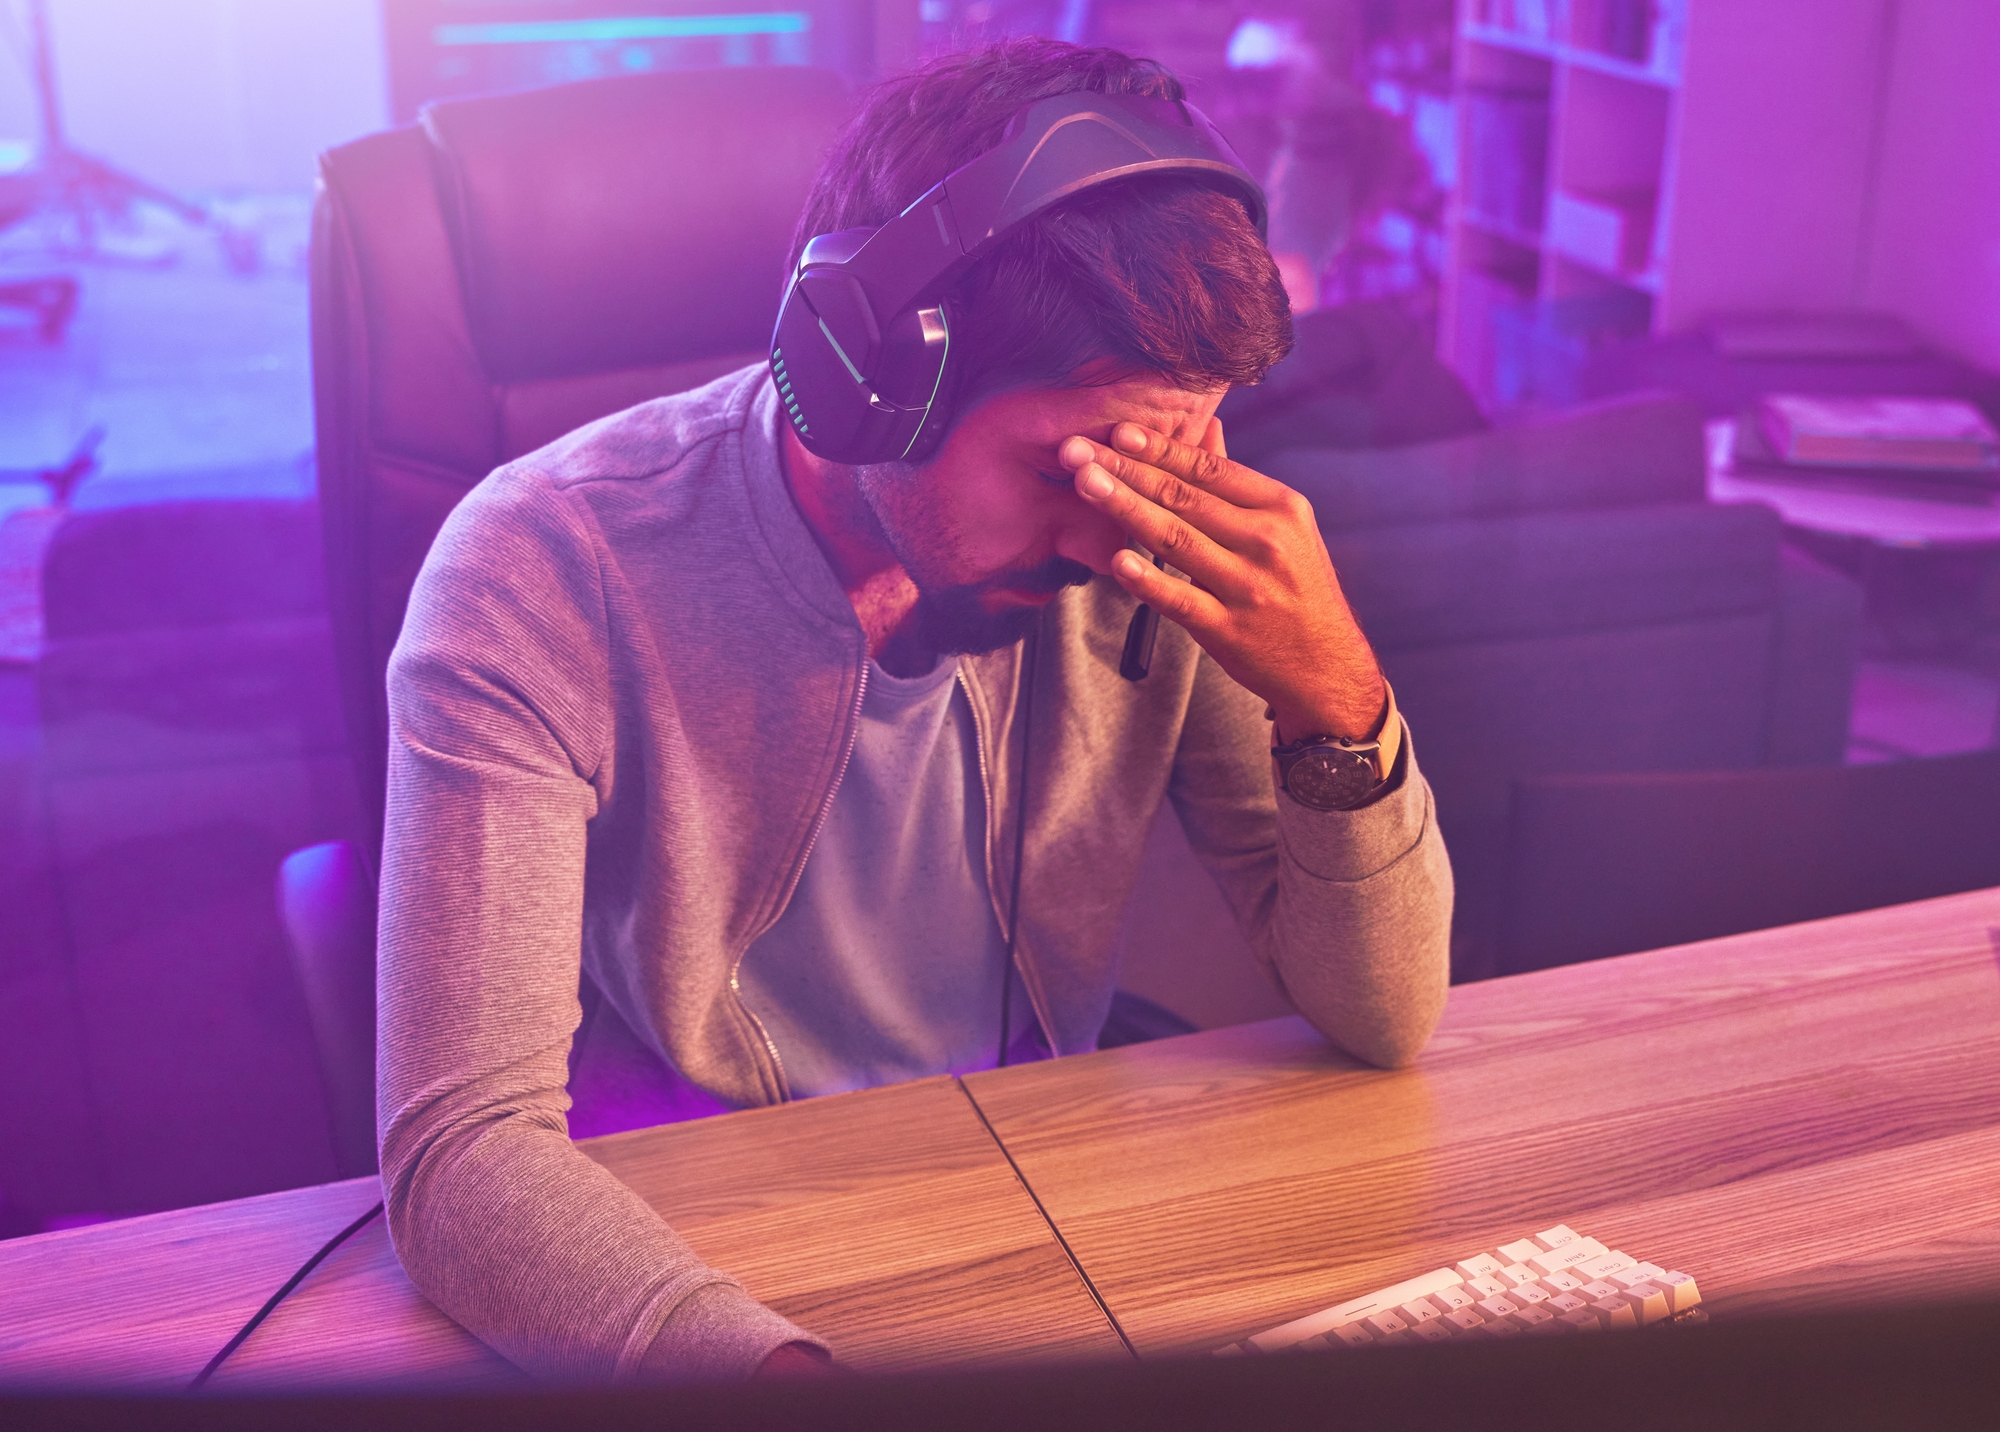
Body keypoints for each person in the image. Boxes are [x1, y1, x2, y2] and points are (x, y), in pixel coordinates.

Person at [376, 38, 1452, 1385]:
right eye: (1070, 464)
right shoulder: (542, 566)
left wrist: (1336, 703)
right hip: (690, 1228)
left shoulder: (1152, 548)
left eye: (1166, 455)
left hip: (1034, 1189)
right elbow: (464, 1152)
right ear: (860, 372)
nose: (1123, 531)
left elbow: (1386, 1015)